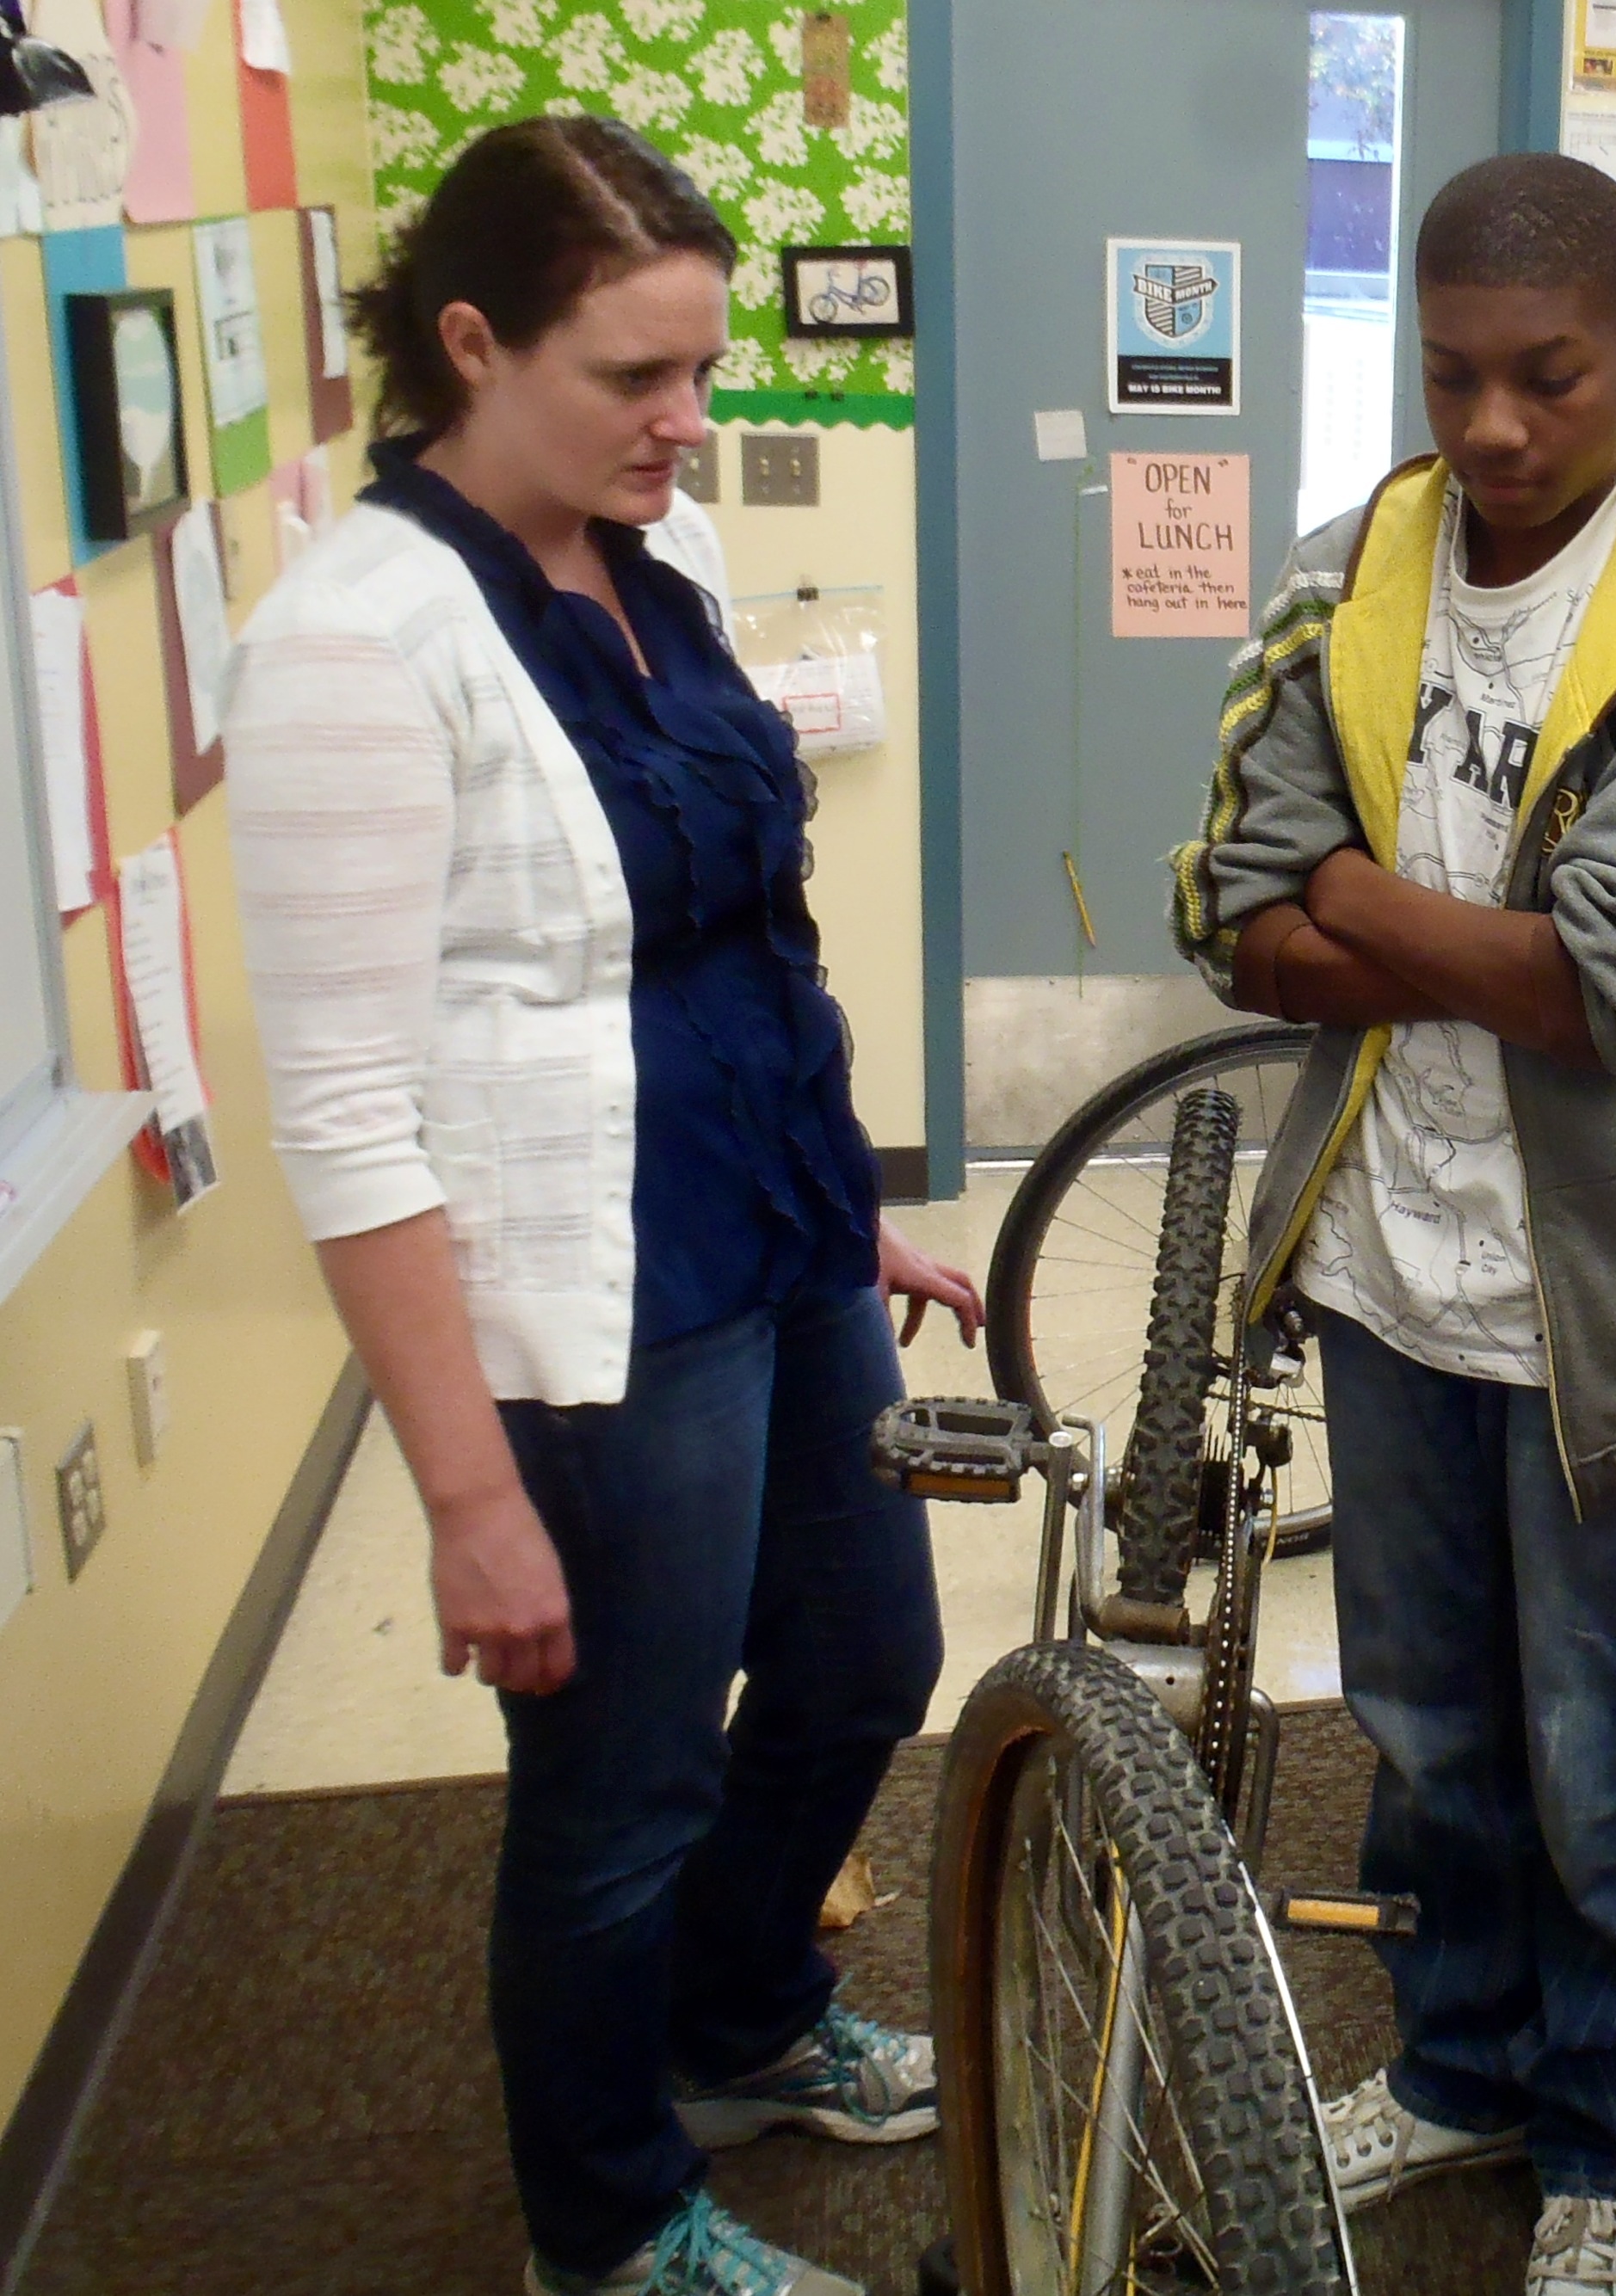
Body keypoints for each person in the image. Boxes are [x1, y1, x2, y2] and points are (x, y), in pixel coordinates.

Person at [222, 117, 979, 2296]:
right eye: (636, 374)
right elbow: (348, 1113)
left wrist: (844, 1205)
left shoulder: (667, 561)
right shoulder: (356, 638)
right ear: (472, 344)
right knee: (621, 1780)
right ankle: (611, 2219)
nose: (689, 416)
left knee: (864, 1655)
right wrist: (469, 1495)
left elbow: (746, 939)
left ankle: (737, 2023)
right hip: (592, 1301)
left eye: (702, 367)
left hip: (775, 1232)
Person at [1167, 152, 1616, 2295]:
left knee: (1600, 1746)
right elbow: (1230, 912)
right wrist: (1422, 924)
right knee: (1425, 1719)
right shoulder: (1350, 569)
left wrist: (1356, 895)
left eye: (1544, 376)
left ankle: (1604, 2142)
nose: (1488, 426)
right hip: (1386, 1259)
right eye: (1448, 373)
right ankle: (1459, 2064)